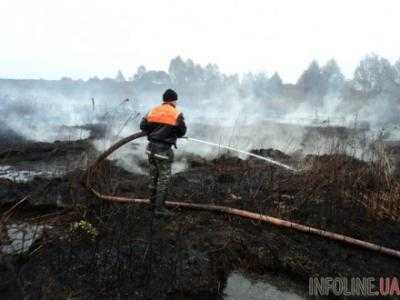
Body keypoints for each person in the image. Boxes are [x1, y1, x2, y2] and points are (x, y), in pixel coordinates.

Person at [140, 89, 187, 217]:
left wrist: (154, 130)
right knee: (163, 180)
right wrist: (172, 133)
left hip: (150, 149)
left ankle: (152, 204)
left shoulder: (153, 110)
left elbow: (143, 126)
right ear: (173, 100)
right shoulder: (176, 113)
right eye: (176, 100)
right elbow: (182, 132)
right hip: (163, 151)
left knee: (153, 177)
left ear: (164, 99)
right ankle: (159, 209)